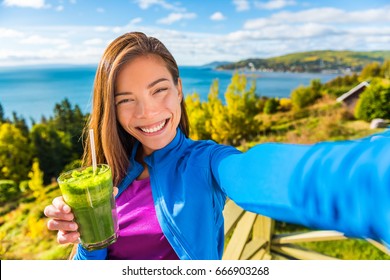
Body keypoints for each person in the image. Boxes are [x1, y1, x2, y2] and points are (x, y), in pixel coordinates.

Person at [44, 31, 390, 260]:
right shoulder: (107, 178)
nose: (148, 111)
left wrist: (371, 178)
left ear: (179, 89)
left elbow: (262, 173)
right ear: (111, 109)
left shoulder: (206, 162)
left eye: (159, 89)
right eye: (126, 99)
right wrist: (86, 237)